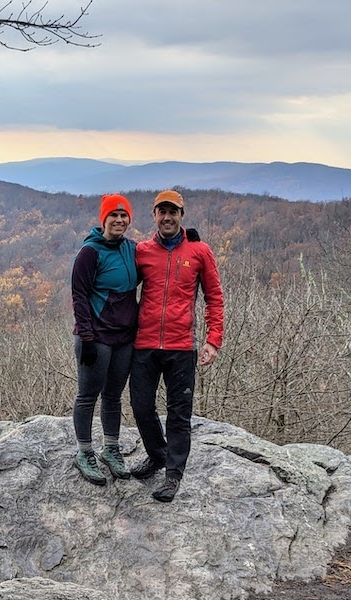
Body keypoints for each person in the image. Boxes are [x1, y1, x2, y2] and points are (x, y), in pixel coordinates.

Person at [129, 189, 224, 502]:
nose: (167, 217)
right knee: (141, 407)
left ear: (182, 216)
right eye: (162, 212)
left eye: (173, 212)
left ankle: (173, 474)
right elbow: (119, 285)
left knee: (179, 414)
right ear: (154, 215)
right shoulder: (141, 251)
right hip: (144, 345)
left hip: (181, 347)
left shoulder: (200, 252)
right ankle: (157, 455)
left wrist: (213, 339)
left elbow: (214, 297)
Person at [70, 193, 139, 485]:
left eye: (124, 216)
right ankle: (84, 452)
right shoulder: (90, 252)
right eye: (114, 215)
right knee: (88, 396)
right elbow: (79, 295)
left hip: (124, 337)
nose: (119, 220)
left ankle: (111, 449)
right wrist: (86, 336)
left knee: (113, 395)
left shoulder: (132, 249)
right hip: (95, 337)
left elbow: (163, 252)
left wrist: (187, 239)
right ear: (104, 219)